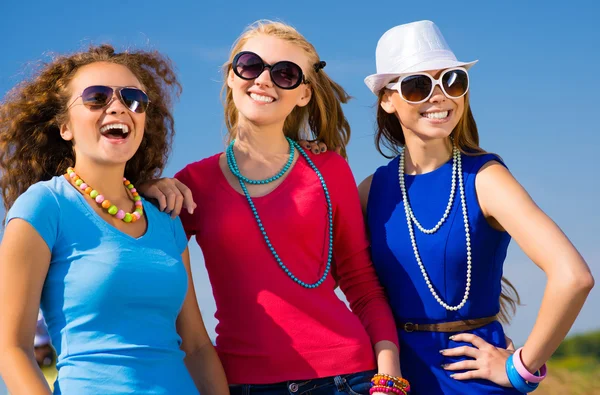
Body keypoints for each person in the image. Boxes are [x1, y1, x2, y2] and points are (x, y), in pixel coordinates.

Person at [140, 20, 408, 395]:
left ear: (303, 94)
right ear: (231, 77)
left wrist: (389, 377)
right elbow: (137, 263)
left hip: (347, 379)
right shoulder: (191, 184)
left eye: (285, 73)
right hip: (241, 382)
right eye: (250, 65)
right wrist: (140, 188)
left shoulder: (329, 170)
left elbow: (362, 284)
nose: (264, 80)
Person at [358, 20, 594, 393]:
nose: (439, 96)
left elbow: (573, 277)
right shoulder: (372, 190)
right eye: (418, 85)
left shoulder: (486, 178)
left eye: (451, 81)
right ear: (387, 99)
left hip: (471, 382)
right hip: (394, 381)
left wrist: (521, 368)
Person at [0, 44, 228, 394]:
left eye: (133, 99)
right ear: (65, 127)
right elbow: (12, 349)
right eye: (96, 97)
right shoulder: (44, 207)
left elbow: (196, 345)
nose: (118, 106)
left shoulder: (166, 219)